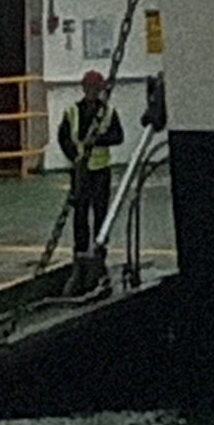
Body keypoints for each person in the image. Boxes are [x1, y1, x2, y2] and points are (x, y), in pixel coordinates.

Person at [51, 65, 127, 289]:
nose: (93, 92)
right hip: (80, 171)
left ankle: (99, 254)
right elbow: (63, 136)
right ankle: (81, 255)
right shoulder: (72, 112)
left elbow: (118, 136)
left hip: (100, 171)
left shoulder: (108, 113)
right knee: (81, 213)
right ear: (84, 89)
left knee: (100, 213)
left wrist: (99, 141)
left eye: (97, 88)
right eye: (90, 88)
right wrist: (74, 157)